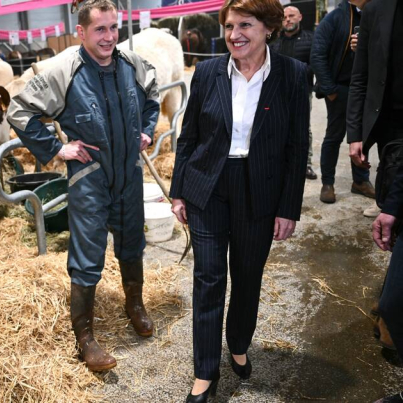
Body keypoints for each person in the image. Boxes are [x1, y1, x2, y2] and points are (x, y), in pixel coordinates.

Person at [6, 0, 161, 372]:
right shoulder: (64, 70)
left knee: (131, 242)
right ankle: (86, 337)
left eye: (113, 28)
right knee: (87, 256)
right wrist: (58, 148)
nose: (109, 37)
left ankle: (135, 305)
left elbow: (153, 98)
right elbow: (19, 111)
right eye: (100, 29)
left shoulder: (132, 65)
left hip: (127, 173)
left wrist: (146, 131)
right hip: (90, 177)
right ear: (81, 32)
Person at [169, 0, 309, 399]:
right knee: (208, 278)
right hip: (208, 187)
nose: (235, 35)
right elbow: (189, 135)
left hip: (259, 189)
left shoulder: (293, 75)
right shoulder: (209, 71)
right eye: (230, 26)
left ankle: (240, 344)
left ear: (269, 28)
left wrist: (288, 207)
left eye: (245, 25)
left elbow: (298, 147)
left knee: (247, 277)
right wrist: (180, 190)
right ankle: (205, 371)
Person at [346, 0, 403, 400]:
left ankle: (393, 314)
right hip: (393, 136)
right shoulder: (378, 10)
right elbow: (361, 77)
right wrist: (356, 131)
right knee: (392, 214)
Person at [311, 0, 374, 204]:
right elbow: (317, 54)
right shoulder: (334, 18)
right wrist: (330, 90)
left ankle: (360, 181)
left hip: (366, 89)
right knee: (334, 136)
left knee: (363, 137)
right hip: (341, 89)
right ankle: (327, 183)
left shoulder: (373, 14)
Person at [271, 5, 317, 180]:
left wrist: (297, 72)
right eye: (284, 17)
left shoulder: (310, 39)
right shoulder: (275, 42)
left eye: (291, 16)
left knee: (304, 128)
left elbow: (315, 64)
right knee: (278, 126)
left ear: (300, 17)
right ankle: (280, 161)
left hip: (302, 91)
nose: (288, 19)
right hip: (278, 93)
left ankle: (306, 165)